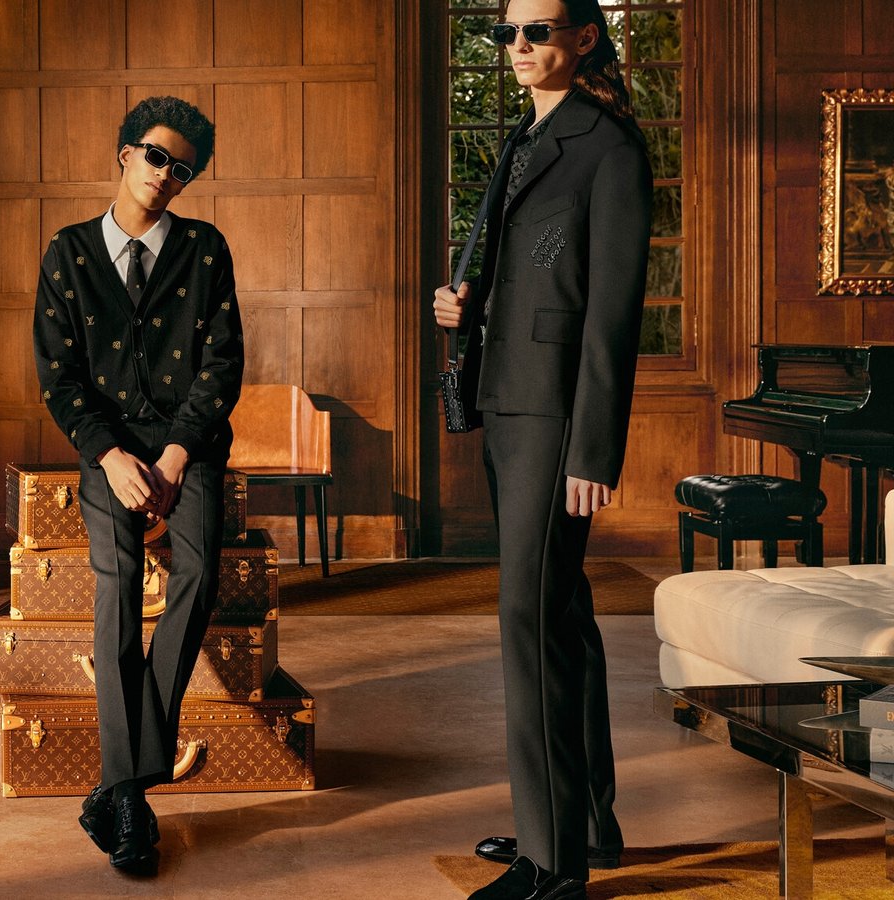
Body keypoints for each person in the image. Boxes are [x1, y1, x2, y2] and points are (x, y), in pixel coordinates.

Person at [432, 1, 650, 896]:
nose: (518, 46)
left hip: (557, 419)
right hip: (510, 400)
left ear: (584, 37)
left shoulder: (609, 148)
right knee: (561, 615)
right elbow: (534, 273)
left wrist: (593, 449)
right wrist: (467, 305)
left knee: (528, 621)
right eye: (507, 33)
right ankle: (587, 826)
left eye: (538, 31)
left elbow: (612, 315)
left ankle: (551, 863)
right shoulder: (529, 139)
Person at [32, 96, 243, 875]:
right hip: (108, 449)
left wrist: (179, 455)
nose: (164, 175)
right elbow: (58, 376)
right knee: (116, 581)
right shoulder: (68, 252)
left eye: (180, 169)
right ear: (125, 155)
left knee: (199, 571)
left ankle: (119, 781)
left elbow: (223, 362)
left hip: (191, 446)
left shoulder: (205, 249)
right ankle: (130, 797)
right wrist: (111, 457)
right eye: (155, 157)